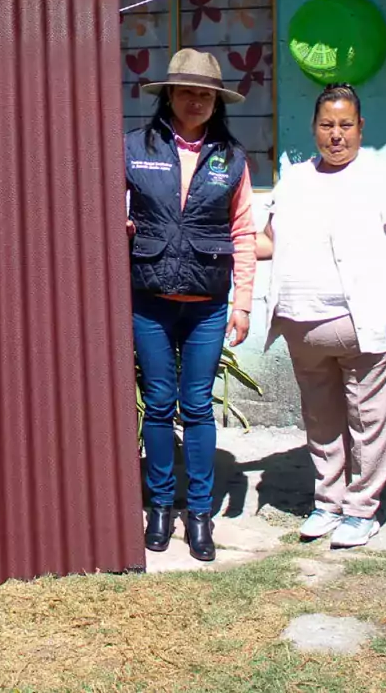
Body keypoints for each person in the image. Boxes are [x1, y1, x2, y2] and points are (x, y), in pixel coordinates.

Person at [256, 83, 386, 549]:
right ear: (313, 128)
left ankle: (362, 508)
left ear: (360, 127)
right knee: (321, 419)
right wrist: (215, 240)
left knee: (370, 418)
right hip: (302, 325)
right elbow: (268, 241)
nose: (336, 135)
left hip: (366, 325)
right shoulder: (295, 178)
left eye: (345, 125)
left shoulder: (383, 177)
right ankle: (328, 501)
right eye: (327, 125)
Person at [125, 48, 256, 562]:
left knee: (197, 406)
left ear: (216, 101)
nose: (196, 100)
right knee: (158, 406)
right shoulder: (134, 147)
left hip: (207, 304)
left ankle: (199, 513)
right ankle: (159, 507)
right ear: (170, 96)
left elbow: (244, 231)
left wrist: (243, 303)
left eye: (205, 93)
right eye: (187, 91)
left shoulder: (233, 157)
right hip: (149, 300)